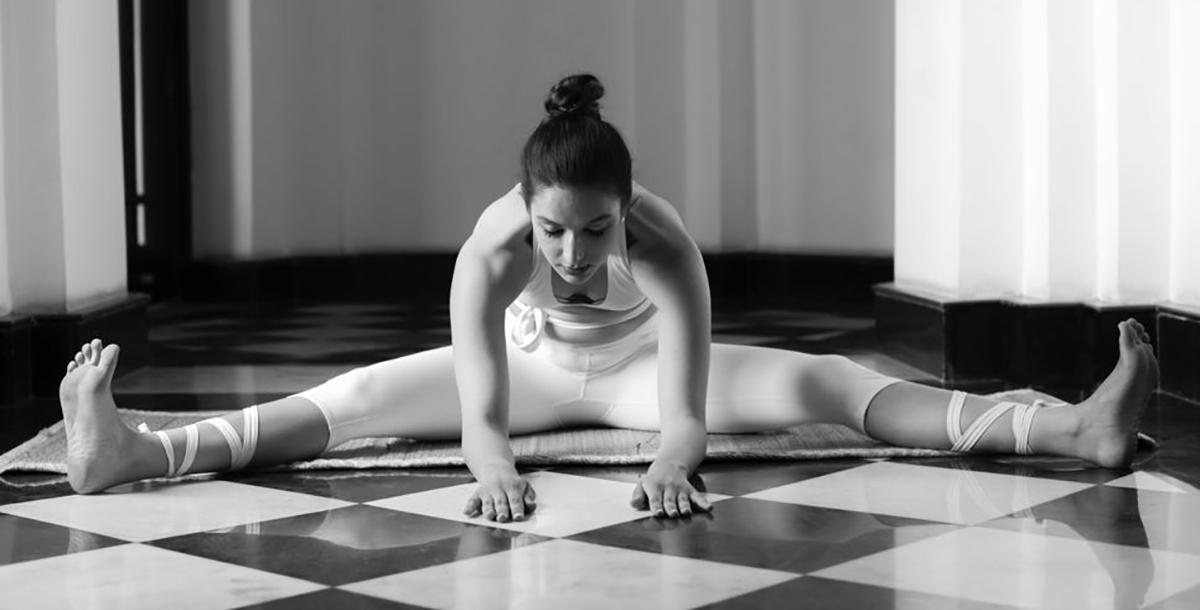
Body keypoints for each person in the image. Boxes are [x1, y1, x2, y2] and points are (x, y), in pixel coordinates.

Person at [58, 73, 1159, 523]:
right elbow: (485, 415)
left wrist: (676, 457)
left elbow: (683, 404)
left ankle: (1073, 423)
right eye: (553, 230)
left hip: (637, 375)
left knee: (833, 377)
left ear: (627, 210)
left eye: (596, 229)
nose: (576, 252)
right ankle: (129, 455)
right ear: (522, 213)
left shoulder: (666, 246)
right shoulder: (489, 254)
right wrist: (492, 471)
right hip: (531, 370)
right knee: (346, 399)